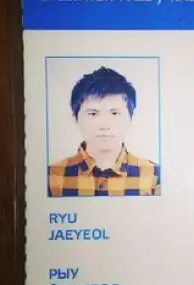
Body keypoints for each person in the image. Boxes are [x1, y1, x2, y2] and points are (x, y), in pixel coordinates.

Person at [48, 66, 160, 196]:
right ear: (75, 119)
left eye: (114, 113)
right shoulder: (51, 176)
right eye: (93, 114)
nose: (105, 125)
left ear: (131, 118)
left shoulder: (154, 176)